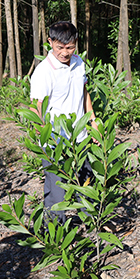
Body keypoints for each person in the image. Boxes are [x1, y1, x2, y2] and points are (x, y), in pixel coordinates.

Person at [29, 21, 97, 222]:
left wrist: (93, 122)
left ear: (76, 43)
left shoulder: (78, 63)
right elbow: (36, 109)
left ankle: (91, 224)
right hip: (56, 142)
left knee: (86, 181)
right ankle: (55, 233)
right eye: (59, 47)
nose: (65, 53)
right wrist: (44, 142)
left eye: (69, 47)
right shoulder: (43, 72)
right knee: (56, 191)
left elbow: (84, 93)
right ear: (50, 42)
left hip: (80, 137)